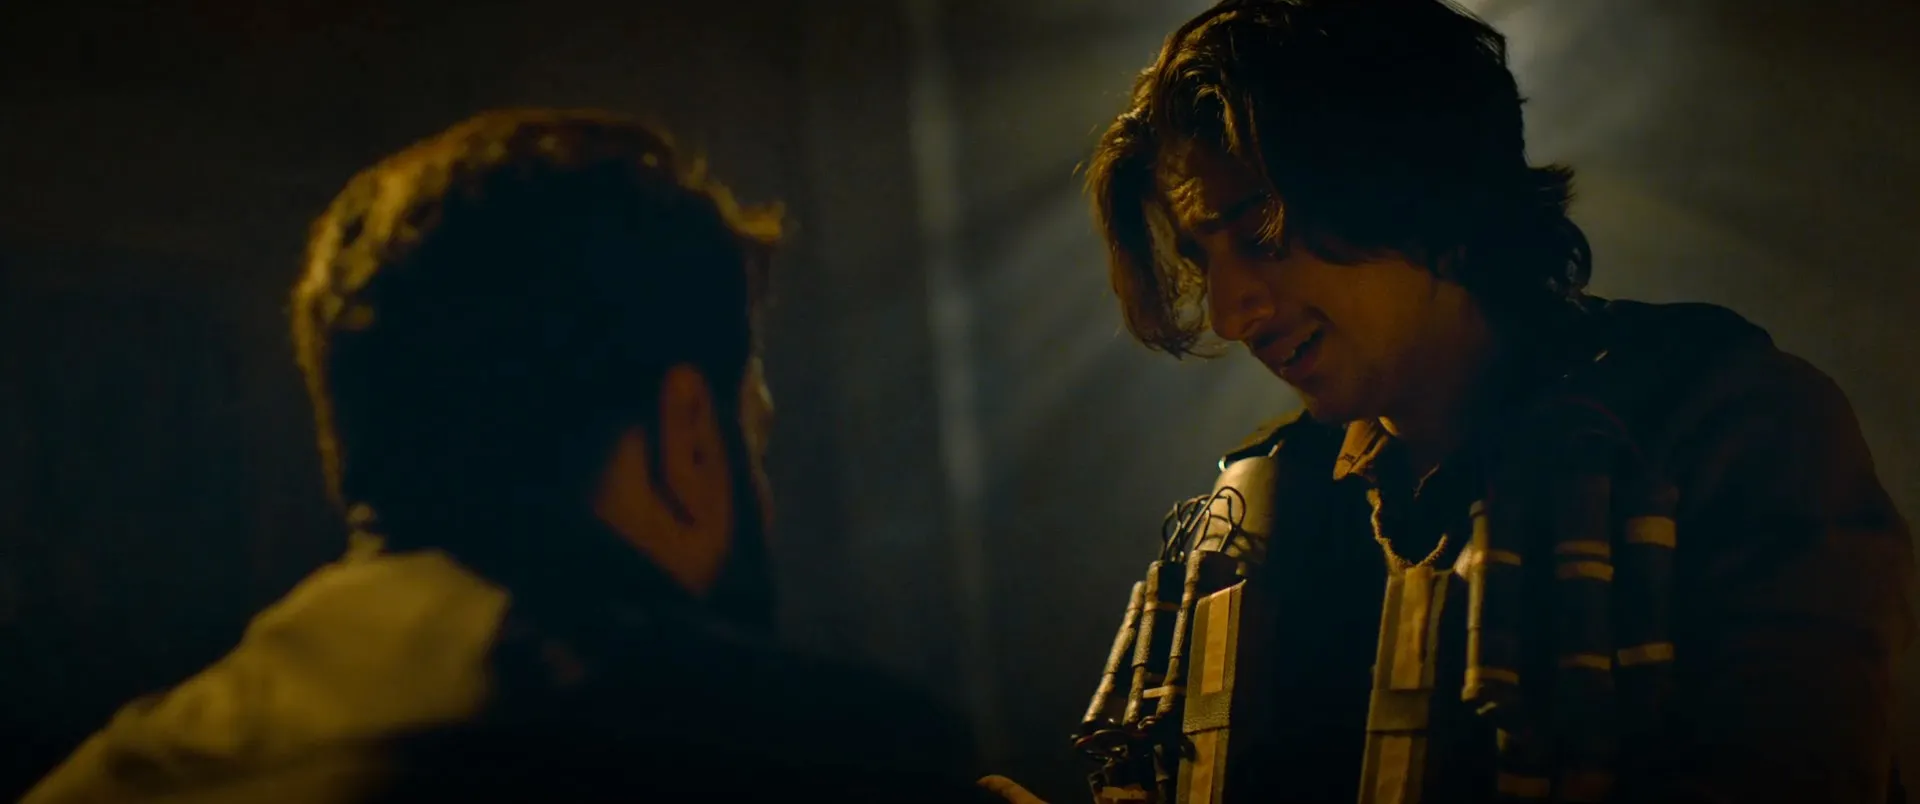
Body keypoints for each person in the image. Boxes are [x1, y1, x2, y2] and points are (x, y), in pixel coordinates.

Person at [19, 108, 1010, 803]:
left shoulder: (107, 777)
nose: (767, 493)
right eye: (752, 434)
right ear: (688, 438)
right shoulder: (825, 759)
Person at [1076, 0, 1915, 802]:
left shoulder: (1726, 430)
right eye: (1203, 259)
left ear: (1418, 183)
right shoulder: (1268, 509)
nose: (1229, 313)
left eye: (1261, 232)